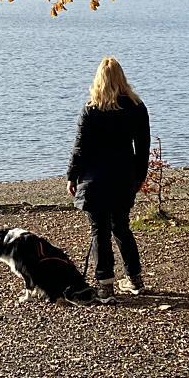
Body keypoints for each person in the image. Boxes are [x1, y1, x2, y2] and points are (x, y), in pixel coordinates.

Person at [66, 56, 151, 302]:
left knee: (99, 231)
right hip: (124, 177)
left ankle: (105, 286)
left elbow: (80, 147)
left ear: (99, 80)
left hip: (94, 180)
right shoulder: (137, 107)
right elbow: (142, 147)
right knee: (121, 227)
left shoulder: (92, 109)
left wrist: (72, 175)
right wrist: (139, 177)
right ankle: (135, 279)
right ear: (122, 78)